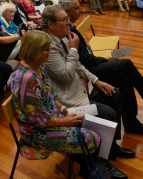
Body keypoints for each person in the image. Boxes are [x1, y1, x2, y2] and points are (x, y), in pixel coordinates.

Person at [59, 0, 143, 137]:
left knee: (126, 78)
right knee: (126, 64)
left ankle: (131, 123)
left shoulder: (69, 26)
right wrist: (106, 60)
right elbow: (85, 61)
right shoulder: (64, 30)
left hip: (89, 65)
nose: (81, 10)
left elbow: (84, 55)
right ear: (66, 11)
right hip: (86, 72)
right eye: (77, 8)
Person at [39, 5, 129, 178]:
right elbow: (65, 75)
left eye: (67, 18)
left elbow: (79, 65)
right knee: (107, 114)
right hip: (68, 102)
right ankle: (99, 162)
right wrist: (74, 48)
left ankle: (110, 147)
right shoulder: (47, 46)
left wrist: (96, 80)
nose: (68, 23)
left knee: (114, 94)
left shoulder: (63, 38)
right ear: (51, 25)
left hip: (80, 91)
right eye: (64, 20)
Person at [10, 30, 102, 179]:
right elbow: (40, 122)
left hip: (51, 119)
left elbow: (50, 96)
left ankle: (71, 166)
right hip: (36, 134)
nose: (50, 52)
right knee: (91, 137)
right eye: (46, 49)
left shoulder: (38, 67)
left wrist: (64, 109)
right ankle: (85, 171)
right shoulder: (27, 80)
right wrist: (65, 121)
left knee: (90, 121)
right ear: (34, 51)